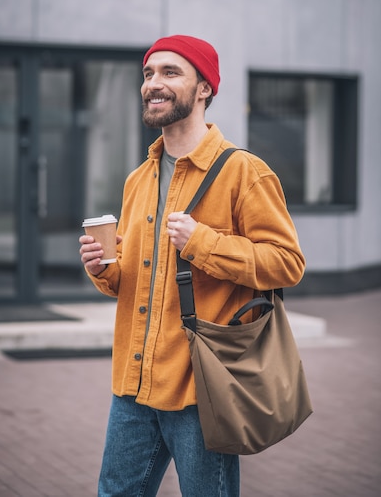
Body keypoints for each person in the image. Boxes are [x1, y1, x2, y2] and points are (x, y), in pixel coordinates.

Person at [79, 34, 306, 497]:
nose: (152, 83)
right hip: (133, 385)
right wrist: (104, 268)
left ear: (204, 88)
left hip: (200, 388)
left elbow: (287, 264)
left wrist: (204, 242)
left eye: (169, 72)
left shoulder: (245, 172)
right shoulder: (138, 178)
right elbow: (132, 283)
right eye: (147, 73)